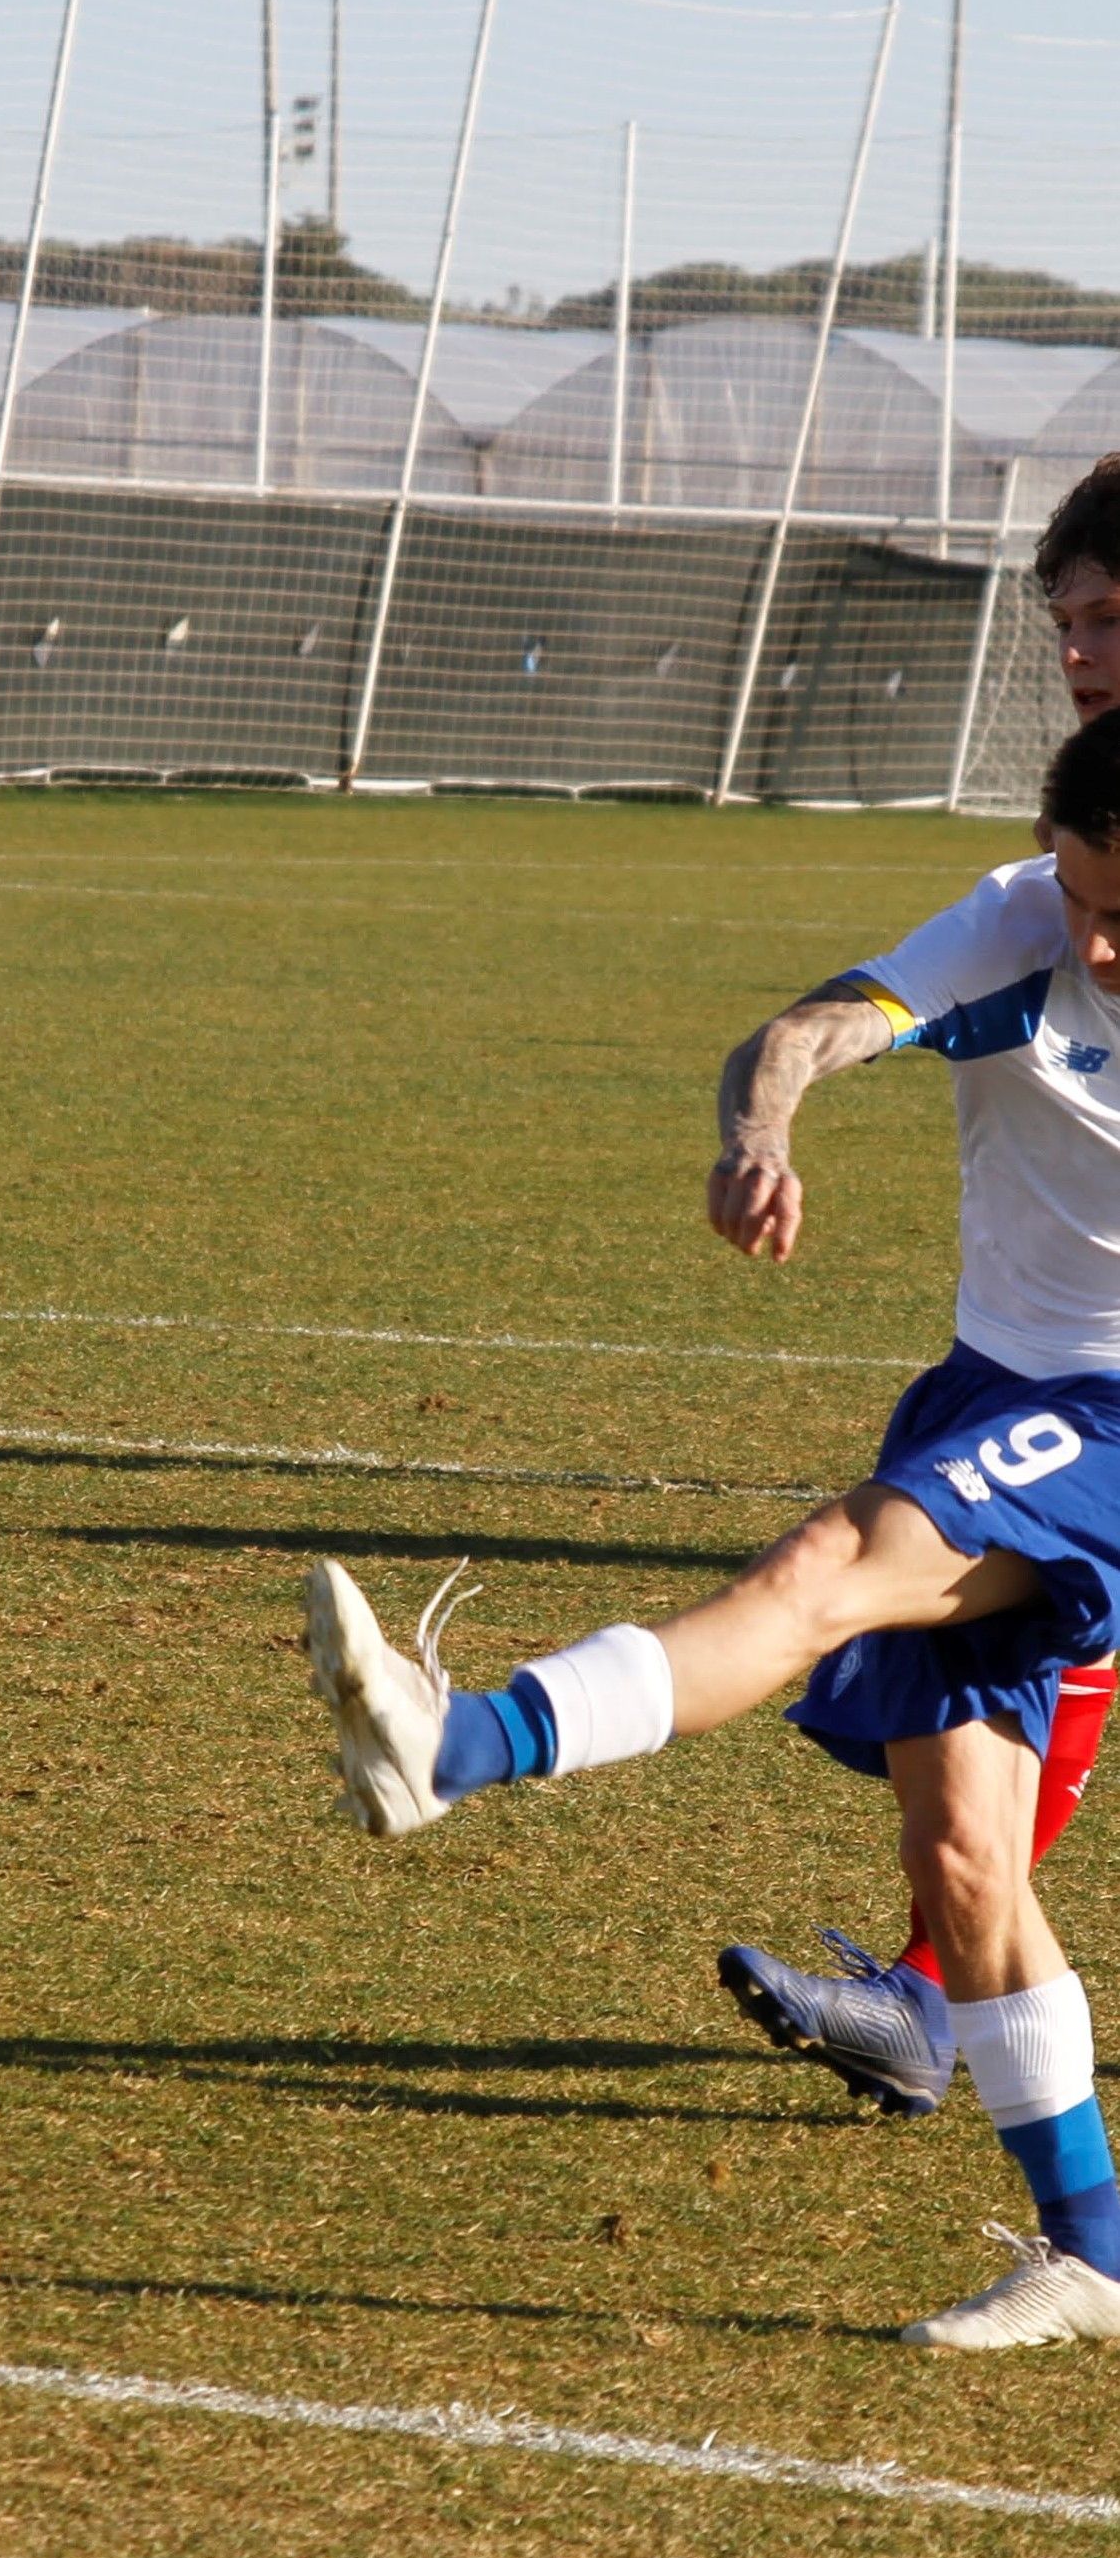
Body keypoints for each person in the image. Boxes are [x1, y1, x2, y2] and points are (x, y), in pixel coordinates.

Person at [305, 710, 1120, 2349]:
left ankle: (459, 1740)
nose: (1093, 938)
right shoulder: (1017, 914)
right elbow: (809, 1028)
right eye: (1084, 896)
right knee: (962, 1863)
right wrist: (760, 1127)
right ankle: (1094, 2255)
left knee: (818, 1573)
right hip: (986, 1398)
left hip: (1107, 1425)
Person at [717, 458, 1120, 2104]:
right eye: (1066, 622)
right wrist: (769, 1106)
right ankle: (935, 1992)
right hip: (1052, 1374)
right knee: (1040, 1653)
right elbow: (831, 1014)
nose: (1079, 648)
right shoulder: (1046, 885)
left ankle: (939, 1998)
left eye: (1109, 615)